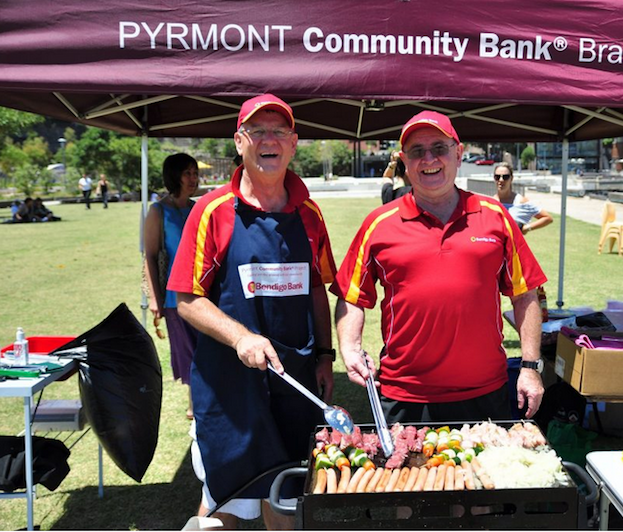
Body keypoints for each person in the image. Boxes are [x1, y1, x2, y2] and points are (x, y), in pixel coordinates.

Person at [168, 94, 337, 529]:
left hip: (294, 379)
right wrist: (241, 337)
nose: (269, 140)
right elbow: (186, 299)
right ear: (239, 142)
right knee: (225, 497)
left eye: (279, 131)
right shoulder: (211, 211)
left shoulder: (309, 213)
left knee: (289, 492)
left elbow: (318, 288)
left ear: (294, 143)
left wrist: (324, 355)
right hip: (231, 386)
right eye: (258, 131)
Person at [332, 111, 548, 425]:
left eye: (439, 148)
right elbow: (352, 297)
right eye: (417, 151)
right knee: (409, 476)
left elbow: (525, 294)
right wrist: (350, 349)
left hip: (484, 390)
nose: (429, 158)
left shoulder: (495, 216)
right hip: (405, 394)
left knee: (483, 476)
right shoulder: (378, 224)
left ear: (458, 153)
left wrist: (529, 367)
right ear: (404, 161)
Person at [143, 154, 199, 421]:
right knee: (186, 349)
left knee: (205, 348)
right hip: (174, 296)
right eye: (187, 173)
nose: (193, 179)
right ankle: (194, 402)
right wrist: (154, 297)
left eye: (195, 173)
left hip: (202, 293)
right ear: (174, 176)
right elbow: (150, 256)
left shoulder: (198, 207)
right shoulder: (157, 211)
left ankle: (202, 398)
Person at [493, 162, 553, 234]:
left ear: (511, 178)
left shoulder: (520, 201)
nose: (501, 180)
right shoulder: (490, 202)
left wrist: (527, 228)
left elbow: (548, 218)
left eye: (505, 177)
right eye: (497, 177)